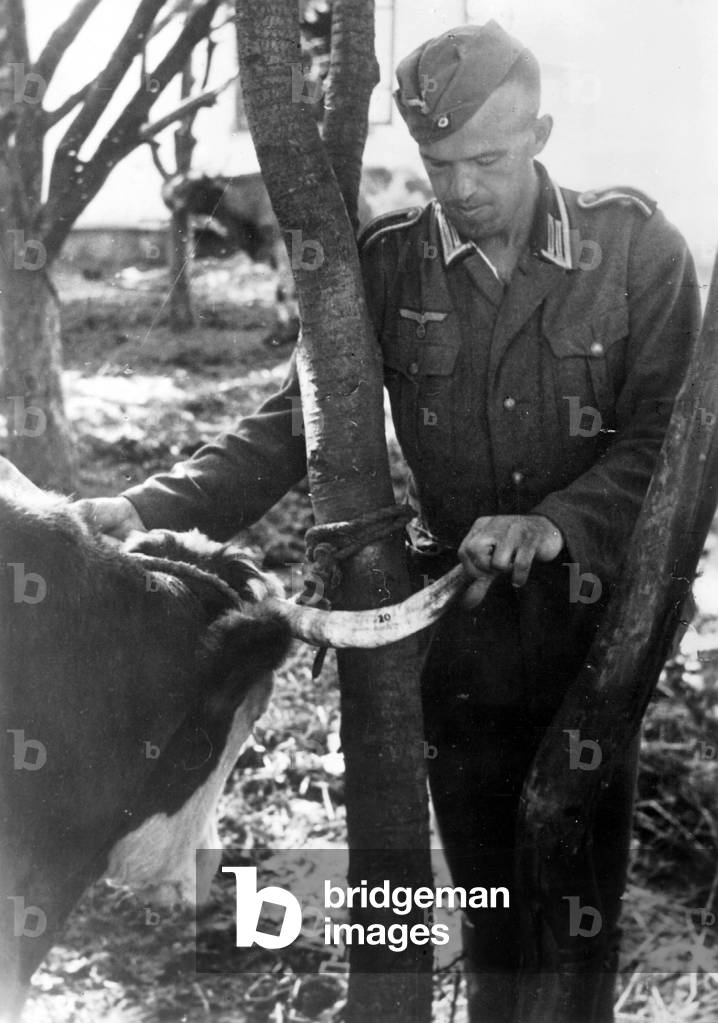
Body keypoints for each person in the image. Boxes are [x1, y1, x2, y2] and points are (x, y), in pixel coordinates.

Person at [81, 20, 701, 1023]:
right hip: (459, 646)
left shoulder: (635, 249)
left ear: (539, 134)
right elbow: (291, 430)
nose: (458, 189)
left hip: (595, 641)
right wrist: (130, 511)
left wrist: (553, 521)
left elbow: (663, 448)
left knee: (579, 912)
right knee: (492, 911)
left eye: (486, 160)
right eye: (436, 162)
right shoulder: (389, 266)